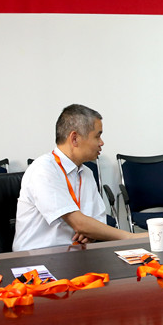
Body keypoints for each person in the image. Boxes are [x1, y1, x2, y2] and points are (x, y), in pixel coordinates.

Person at [13, 104, 136, 251]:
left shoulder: (86, 173)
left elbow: (96, 221)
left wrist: (91, 233)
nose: (101, 142)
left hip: (75, 254)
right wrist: (132, 238)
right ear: (75, 138)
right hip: (37, 256)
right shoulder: (43, 169)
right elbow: (79, 223)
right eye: (97, 136)